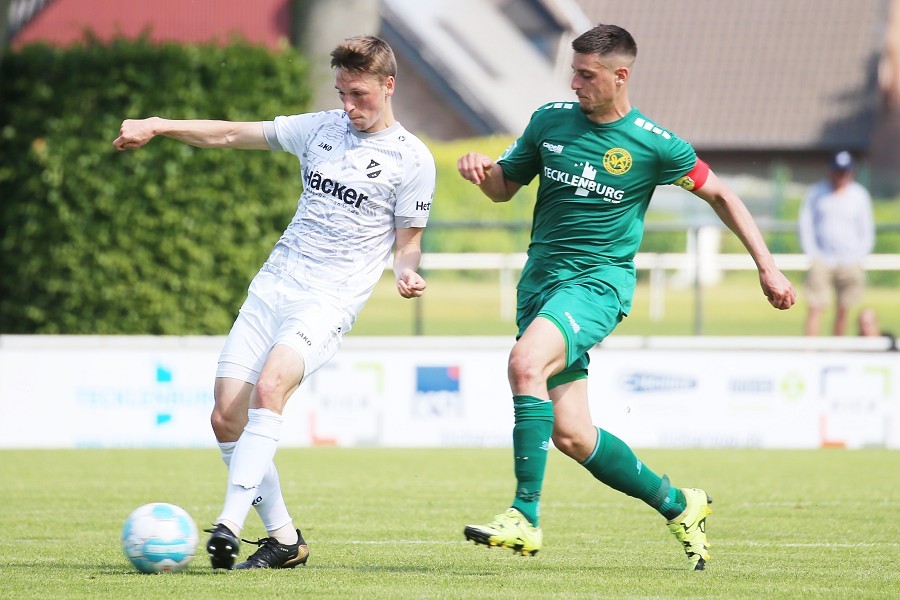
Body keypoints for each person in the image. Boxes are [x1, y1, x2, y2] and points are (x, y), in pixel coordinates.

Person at [457, 24, 796, 571]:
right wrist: (481, 171)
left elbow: (722, 195)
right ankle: (680, 504)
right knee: (573, 436)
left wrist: (767, 266)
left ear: (620, 76)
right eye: (573, 73)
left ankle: (524, 515)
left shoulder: (654, 143)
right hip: (540, 285)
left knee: (525, 364)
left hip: (597, 286)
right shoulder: (549, 121)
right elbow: (504, 187)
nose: (575, 84)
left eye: (586, 75)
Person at [113, 35, 436, 570]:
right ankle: (285, 540)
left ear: (388, 85)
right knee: (225, 418)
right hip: (273, 287)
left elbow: (408, 244)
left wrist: (407, 273)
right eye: (342, 93)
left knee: (270, 388)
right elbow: (231, 133)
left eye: (359, 94)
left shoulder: (413, 159)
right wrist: (158, 125)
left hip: (328, 300)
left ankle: (228, 524)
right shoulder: (320, 129)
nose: (349, 106)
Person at [798, 150, 875, 336]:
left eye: (844, 171)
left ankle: (836, 349)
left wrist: (858, 255)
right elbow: (805, 225)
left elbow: (866, 229)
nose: (841, 175)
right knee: (815, 306)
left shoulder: (859, 195)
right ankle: (809, 349)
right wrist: (812, 253)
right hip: (822, 259)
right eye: (838, 170)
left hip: (850, 260)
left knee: (844, 309)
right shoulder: (816, 193)